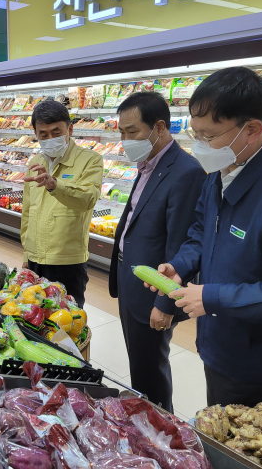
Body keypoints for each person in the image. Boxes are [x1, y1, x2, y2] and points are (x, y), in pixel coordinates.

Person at [146, 67, 262, 407]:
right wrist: (180, 266)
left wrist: (214, 297)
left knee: (242, 452)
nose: (199, 147)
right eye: (195, 134)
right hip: (217, 342)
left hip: (257, 362)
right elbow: (202, 232)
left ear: (251, 130)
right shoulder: (222, 170)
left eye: (209, 137)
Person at [108, 92, 206, 412]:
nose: (125, 139)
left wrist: (165, 301)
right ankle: (144, 423)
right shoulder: (148, 162)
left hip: (153, 288)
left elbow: (180, 242)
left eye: (132, 131)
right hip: (131, 280)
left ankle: (160, 433)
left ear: (159, 127)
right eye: (121, 132)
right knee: (140, 365)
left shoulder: (186, 171)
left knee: (150, 370)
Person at [21, 100, 103, 307]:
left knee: (68, 321)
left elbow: (88, 198)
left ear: (70, 129)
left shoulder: (90, 160)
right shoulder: (34, 163)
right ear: (36, 134)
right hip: (34, 259)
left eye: (56, 132)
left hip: (67, 261)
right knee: (35, 317)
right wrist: (26, 254)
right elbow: (28, 212)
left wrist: (55, 185)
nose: (50, 139)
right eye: (43, 134)